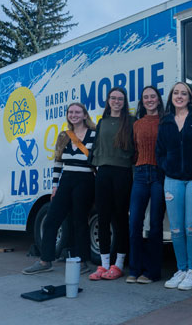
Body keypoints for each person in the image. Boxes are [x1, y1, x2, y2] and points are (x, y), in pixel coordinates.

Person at [22, 102, 97, 275]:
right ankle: (45, 260)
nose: (74, 115)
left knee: (80, 221)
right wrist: (54, 186)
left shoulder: (94, 134)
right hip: (66, 180)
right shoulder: (64, 135)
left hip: (85, 180)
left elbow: (98, 158)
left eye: (78, 112)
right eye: (71, 112)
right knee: (51, 220)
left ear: (85, 115)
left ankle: (82, 261)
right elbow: (57, 162)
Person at [156, 81, 192, 291]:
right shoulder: (165, 122)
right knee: (176, 229)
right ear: (171, 97)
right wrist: (166, 166)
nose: (180, 96)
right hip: (172, 180)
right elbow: (160, 151)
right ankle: (181, 270)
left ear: (190, 98)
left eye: (184, 93)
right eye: (176, 93)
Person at [88, 87, 135, 281]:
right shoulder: (102, 122)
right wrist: (94, 166)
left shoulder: (131, 122)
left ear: (124, 103)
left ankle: (119, 264)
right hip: (103, 172)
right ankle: (104, 264)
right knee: (103, 218)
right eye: (113, 98)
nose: (116, 101)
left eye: (120, 99)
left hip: (123, 173)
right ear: (108, 101)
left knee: (121, 219)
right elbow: (96, 147)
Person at [126, 86, 165, 284]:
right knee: (134, 223)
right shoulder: (137, 124)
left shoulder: (166, 122)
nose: (150, 100)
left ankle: (152, 272)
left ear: (158, 100)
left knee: (156, 225)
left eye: (153, 96)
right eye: (146, 97)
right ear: (142, 102)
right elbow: (133, 151)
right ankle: (134, 269)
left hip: (159, 175)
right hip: (140, 175)